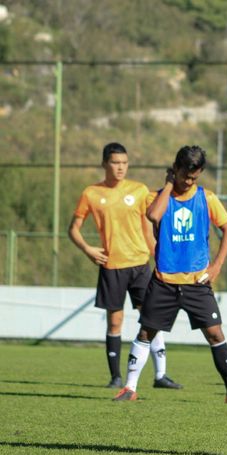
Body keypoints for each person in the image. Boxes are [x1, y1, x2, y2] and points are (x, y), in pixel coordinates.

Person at [113, 145, 227, 404]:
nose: (188, 182)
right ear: (175, 170)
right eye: (185, 175)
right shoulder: (158, 197)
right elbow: (153, 215)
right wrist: (167, 186)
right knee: (146, 333)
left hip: (197, 282)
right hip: (164, 282)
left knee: (215, 334)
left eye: (194, 177)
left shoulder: (206, 197)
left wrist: (217, 265)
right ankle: (129, 388)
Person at [68, 142, 181, 390]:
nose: (121, 168)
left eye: (124, 163)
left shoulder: (139, 190)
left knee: (151, 319)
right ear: (104, 164)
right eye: (115, 163)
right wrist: (88, 249)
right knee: (115, 322)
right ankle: (115, 377)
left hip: (140, 264)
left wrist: (159, 258)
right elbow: (73, 229)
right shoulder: (91, 193)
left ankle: (160, 375)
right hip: (112, 266)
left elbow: (147, 228)